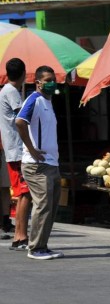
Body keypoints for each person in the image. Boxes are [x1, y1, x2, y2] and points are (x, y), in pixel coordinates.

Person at [16, 65, 63, 260]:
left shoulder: (48, 101)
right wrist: (32, 149)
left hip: (52, 163)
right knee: (43, 204)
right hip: (36, 165)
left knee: (51, 206)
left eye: (54, 79)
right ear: (38, 82)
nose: (52, 83)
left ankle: (42, 245)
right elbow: (20, 121)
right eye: (48, 80)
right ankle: (35, 248)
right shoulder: (34, 99)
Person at [0, 58, 31, 249]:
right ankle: (20, 237)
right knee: (24, 193)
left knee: (22, 194)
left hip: (13, 149)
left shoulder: (6, 90)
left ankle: (20, 236)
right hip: (16, 150)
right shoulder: (11, 91)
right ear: (23, 73)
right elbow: (22, 117)